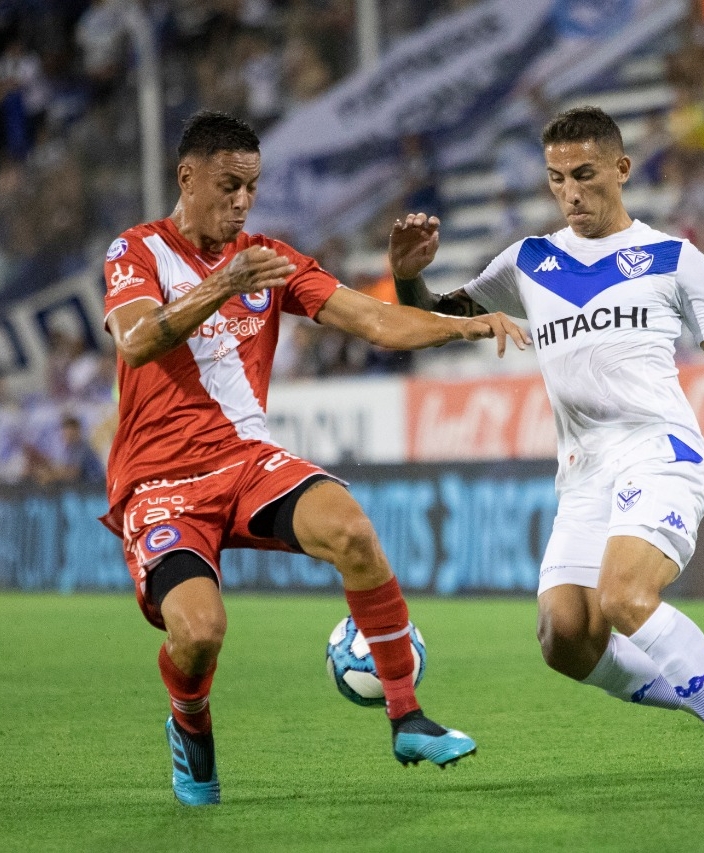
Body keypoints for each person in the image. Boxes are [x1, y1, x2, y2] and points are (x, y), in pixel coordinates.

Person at [390, 106, 704, 789]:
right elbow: (428, 318)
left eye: (584, 174)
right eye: (556, 179)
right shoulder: (528, 260)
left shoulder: (672, 258)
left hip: (659, 452)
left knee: (624, 595)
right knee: (564, 637)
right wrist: (406, 277)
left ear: (621, 169)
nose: (570, 193)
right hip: (583, 472)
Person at [100, 110, 528, 807]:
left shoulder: (270, 259)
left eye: (252, 187)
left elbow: (374, 320)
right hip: (159, 481)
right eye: (229, 185)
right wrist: (223, 284)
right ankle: (190, 724)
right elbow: (136, 340)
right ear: (187, 178)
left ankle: (407, 717)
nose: (243, 201)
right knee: (200, 634)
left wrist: (465, 325)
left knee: (351, 530)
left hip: (246, 463)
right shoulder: (137, 249)